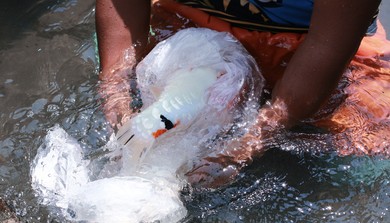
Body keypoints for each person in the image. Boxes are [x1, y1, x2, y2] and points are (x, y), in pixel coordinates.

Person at [95, 0, 382, 186]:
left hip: (304, 54)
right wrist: (115, 90)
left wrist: (247, 146)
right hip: (182, 26)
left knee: (365, 162)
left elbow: (325, 46)